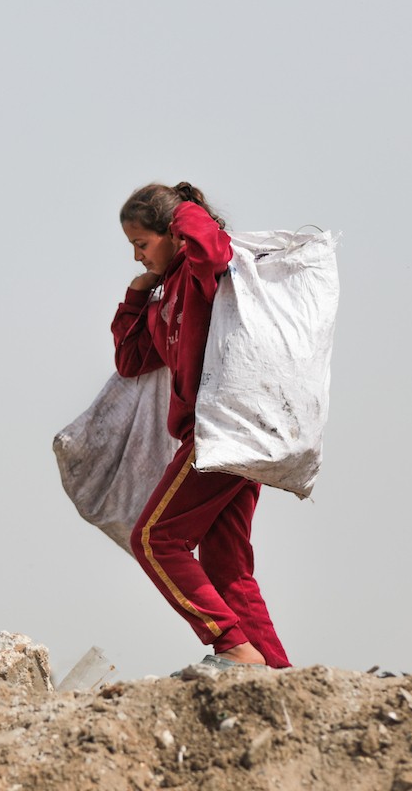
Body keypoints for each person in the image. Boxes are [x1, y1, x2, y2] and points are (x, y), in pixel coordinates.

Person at [111, 182, 291, 670]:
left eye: (142, 244)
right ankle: (276, 673)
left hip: (222, 430)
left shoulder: (201, 277)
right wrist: (137, 293)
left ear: (172, 234)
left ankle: (231, 645)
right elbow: (129, 360)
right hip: (226, 436)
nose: (137, 257)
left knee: (153, 538)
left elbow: (212, 251)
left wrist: (183, 209)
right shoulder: (165, 297)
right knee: (226, 564)